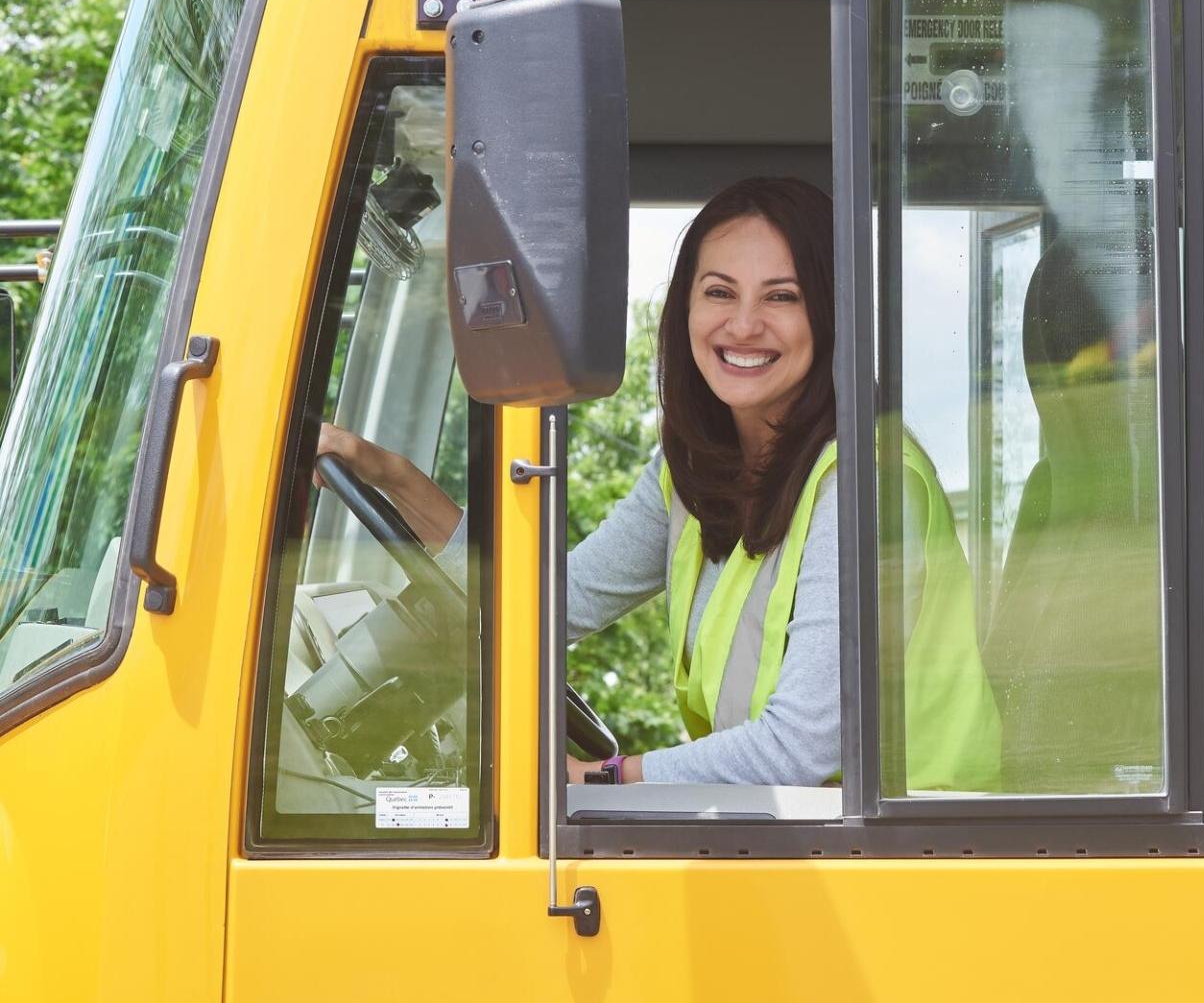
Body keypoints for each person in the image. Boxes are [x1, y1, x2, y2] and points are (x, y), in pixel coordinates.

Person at [317, 176, 1001, 790]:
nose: (743, 324)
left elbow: (798, 748)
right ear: (686, 311)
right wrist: (393, 476)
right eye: (719, 293)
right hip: (796, 844)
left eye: (782, 297)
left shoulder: (866, 486)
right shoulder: (691, 471)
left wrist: (604, 778)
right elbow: (548, 603)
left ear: (829, 314)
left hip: (913, 865)